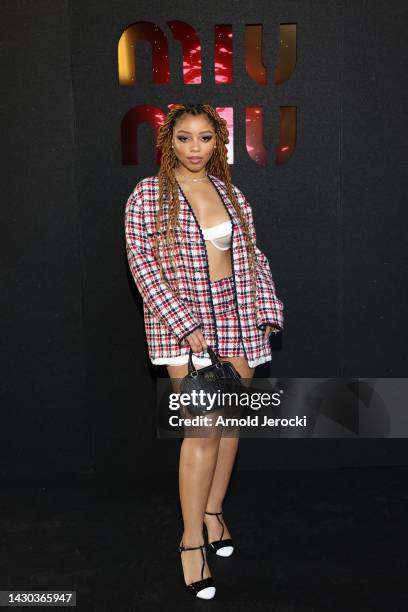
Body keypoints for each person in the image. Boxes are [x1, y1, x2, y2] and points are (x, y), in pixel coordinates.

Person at [124, 103, 284, 599]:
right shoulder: (148, 195)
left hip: (239, 319)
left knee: (232, 423)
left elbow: (253, 256)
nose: (195, 149)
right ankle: (191, 541)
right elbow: (142, 265)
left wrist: (267, 308)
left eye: (206, 139)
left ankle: (215, 514)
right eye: (185, 138)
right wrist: (184, 323)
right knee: (202, 431)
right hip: (184, 327)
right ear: (168, 142)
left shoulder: (232, 195)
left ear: (220, 143)